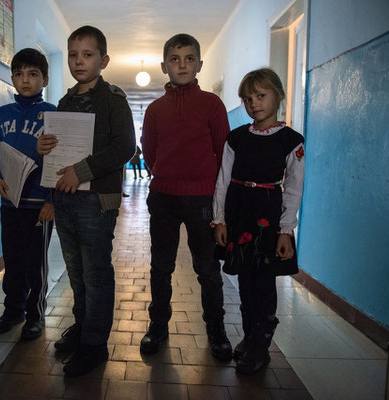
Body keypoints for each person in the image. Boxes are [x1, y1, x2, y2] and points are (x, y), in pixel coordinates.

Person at [37, 25, 136, 376]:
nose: (79, 61)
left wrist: (81, 170)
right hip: (64, 199)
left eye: (88, 54)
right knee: (76, 271)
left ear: (103, 60)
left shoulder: (113, 100)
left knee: (96, 272)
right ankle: (82, 327)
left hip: (96, 200)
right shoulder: (64, 101)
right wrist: (43, 148)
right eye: (74, 55)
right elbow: (55, 150)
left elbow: (125, 148)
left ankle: (94, 344)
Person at [140, 34, 232, 360]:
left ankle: (216, 329)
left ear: (199, 65)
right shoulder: (154, 110)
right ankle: (158, 326)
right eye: (175, 59)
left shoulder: (212, 105)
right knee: (160, 266)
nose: (182, 65)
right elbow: (149, 154)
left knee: (207, 269)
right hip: (163, 197)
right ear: (163, 66)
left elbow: (224, 154)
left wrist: (219, 203)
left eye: (189, 58)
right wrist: (165, 175)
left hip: (203, 199)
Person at [213, 68, 305, 374]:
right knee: (244, 281)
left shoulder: (291, 141)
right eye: (247, 98)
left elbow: (293, 187)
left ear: (278, 94)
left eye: (261, 96)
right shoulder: (236, 138)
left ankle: (260, 347)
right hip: (239, 215)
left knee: (264, 283)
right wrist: (220, 220)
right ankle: (250, 337)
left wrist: (285, 230)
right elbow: (223, 181)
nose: (254, 103)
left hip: (268, 216)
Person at [0, 48, 55, 339]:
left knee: (34, 265)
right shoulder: (3, 114)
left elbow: (59, 160)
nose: (25, 80)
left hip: (38, 204)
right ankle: (13, 310)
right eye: (19, 74)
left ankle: (35, 314)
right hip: (10, 202)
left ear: (45, 79)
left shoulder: (52, 114)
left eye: (32, 74)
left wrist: (52, 201)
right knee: (12, 260)